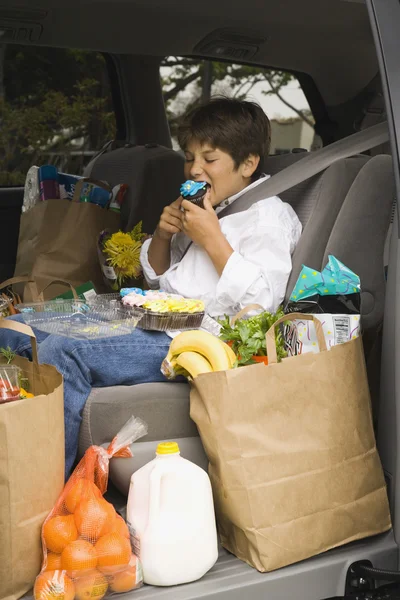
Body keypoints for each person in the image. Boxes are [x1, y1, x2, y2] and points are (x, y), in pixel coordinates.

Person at [0, 97, 302, 477]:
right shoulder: (207, 204)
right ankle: (8, 453)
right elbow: (157, 275)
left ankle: (40, 488)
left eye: (209, 159)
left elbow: (261, 304)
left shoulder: (267, 218)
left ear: (248, 163)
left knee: (65, 350)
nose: (195, 168)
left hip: (196, 336)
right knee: (18, 328)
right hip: (151, 314)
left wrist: (213, 239)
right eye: (190, 157)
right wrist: (162, 235)